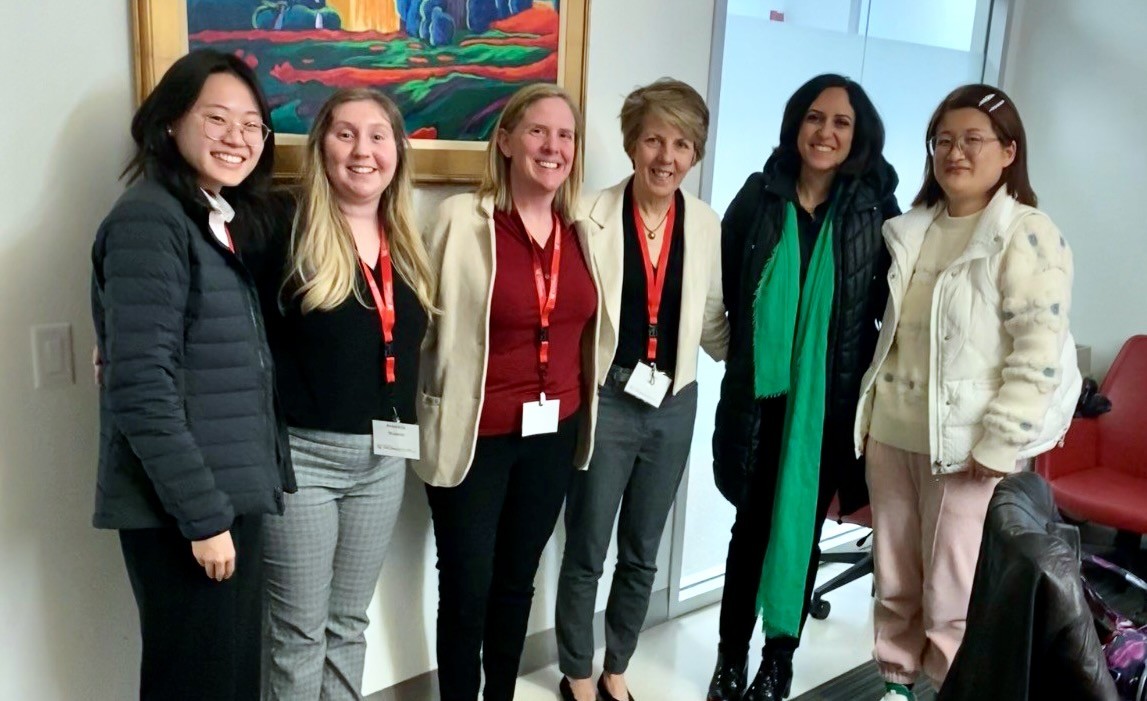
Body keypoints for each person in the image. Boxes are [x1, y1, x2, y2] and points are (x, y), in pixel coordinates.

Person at [853, 84, 1080, 701]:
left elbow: (1037, 353)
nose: (955, 153)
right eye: (944, 141)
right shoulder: (912, 229)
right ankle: (897, 683)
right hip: (893, 432)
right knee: (894, 579)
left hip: (966, 447)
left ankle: (955, 689)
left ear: (1008, 151)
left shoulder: (1026, 233)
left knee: (954, 591)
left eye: (973, 140)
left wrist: (1000, 442)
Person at [90, 49, 291, 700]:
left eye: (252, 124)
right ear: (171, 121)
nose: (237, 137)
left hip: (223, 495)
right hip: (189, 509)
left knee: (227, 679)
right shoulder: (149, 218)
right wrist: (204, 518)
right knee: (197, 684)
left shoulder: (212, 217)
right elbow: (140, 387)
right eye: (217, 118)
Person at [708, 74, 901, 701]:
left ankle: (777, 662)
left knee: (802, 530)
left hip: (828, 409)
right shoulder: (759, 196)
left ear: (858, 134)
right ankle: (729, 660)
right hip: (760, 402)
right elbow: (725, 291)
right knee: (749, 531)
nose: (825, 132)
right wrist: (747, 357)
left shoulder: (876, 212)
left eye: (841, 122)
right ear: (797, 123)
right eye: (815, 118)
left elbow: (893, 309)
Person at [415, 83, 602, 701]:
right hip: (477, 435)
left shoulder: (582, 229)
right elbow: (420, 327)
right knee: (466, 586)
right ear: (505, 141)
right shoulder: (461, 221)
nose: (553, 146)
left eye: (565, 135)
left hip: (555, 434)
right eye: (537, 131)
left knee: (517, 581)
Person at [254, 88, 434, 699]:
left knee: (348, 625)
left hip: (383, 463)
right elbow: (210, 301)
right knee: (298, 634)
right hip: (302, 462)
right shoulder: (282, 224)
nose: (363, 151)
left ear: (397, 151)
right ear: (321, 147)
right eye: (345, 134)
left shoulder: (404, 238)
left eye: (378, 136)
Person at [554, 78, 728, 701]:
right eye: (654, 139)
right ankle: (577, 670)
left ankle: (617, 666)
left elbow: (711, 320)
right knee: (587, 547)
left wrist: (758, 363)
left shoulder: (705, 223)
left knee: (643, 550)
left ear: (695, 153)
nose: (666, 157)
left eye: (682, 144)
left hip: (674, 403)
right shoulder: (587, 216)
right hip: (607, 400)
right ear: (632, 144)